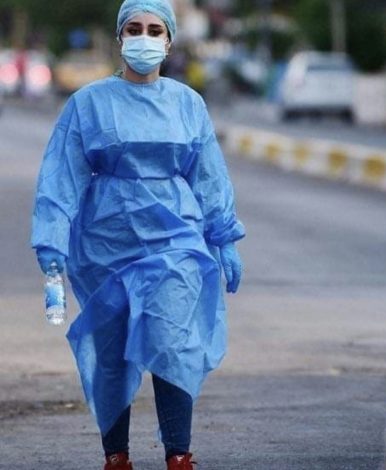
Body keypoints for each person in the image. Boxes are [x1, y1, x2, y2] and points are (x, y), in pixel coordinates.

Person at [30, 1, 245, 469]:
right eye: (134, 29)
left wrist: (224, 237)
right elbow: (61, 175)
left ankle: (179, 454)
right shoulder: (88, 103)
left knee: (173, 341)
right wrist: (51, 241)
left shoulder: (188, 104)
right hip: (106, 239)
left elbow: (208, 175)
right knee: (111, 352)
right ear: (119, 38)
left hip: (175, 236)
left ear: (168, 41)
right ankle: (116, 456)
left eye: (153, 29)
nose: (143, 38)